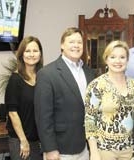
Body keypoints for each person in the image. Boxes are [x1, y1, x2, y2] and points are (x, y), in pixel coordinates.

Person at [34, 27, 95, 160]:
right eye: (71, 42)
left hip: (86, 147)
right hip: (60, 150)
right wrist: (50, 149)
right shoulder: (47, 74)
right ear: (62, 45)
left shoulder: (90, 72)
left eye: (79, 42)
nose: (76, 45)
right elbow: (43, 116)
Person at [85, 40, 134, 160]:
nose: (118, 61)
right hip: (104, 150)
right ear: (106, 59)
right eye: (113, 57)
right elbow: (90, 121)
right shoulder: (96, 85)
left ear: (127, 60)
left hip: (130, 149)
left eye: (122, 57)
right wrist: (94, 153)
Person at [4, 36, 43, 160]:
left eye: (35, 51)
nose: (32, 54)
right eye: (27, 51)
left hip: (37, 140)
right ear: (21, 54)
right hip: (20, 141)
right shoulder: (15, 79)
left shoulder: (43, 77)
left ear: (40, 54)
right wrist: (23, 141)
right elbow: (12, 113)